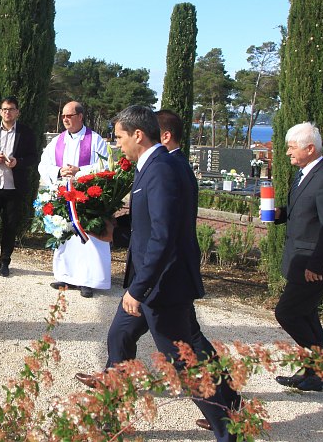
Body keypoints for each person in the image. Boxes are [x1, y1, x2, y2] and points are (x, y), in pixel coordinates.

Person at [78, 105, 241, 441]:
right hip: (148, 284)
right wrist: (113, 230)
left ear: (138, 135)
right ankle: (112, 420)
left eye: (120, 137)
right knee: (119, 338)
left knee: (183, 363)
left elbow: (163, 236)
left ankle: (229, 430)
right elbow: (146, 226)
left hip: (161, 288)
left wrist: (139, 290)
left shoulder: (162, 168)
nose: (117, 144)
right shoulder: (149, 166)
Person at [273, 122, 323, 391]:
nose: (288, 153)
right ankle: (314, 371)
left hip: (313, 263)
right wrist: (281, 214)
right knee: (306, 314)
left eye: (292, 147)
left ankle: (322, 366)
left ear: (310, 148)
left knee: (287, 312)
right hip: (301, 259)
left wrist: (317, 264)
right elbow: (306, 213)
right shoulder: (304, 174)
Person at [38, 101, 111, 298]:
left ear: (80, 116)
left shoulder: (95, 140)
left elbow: (105, 166)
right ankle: (66, 276)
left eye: (69, 115)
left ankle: (88, 280)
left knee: (88, 237)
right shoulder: (57, 141)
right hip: (65, 196)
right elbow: (43, 165)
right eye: (63, 116)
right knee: (66, 235)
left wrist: (80, 171)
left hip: (88, 198)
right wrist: (59, 171)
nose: (65, 119)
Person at [0, 96, 38, 277]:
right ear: (0, 112)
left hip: (14, 188)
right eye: (4, 109)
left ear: (17, 112)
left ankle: (5, 262)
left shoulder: (26, 133)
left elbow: (34, 157)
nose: (7, 112)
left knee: (10, 227)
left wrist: (18, 162)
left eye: (11, 109)